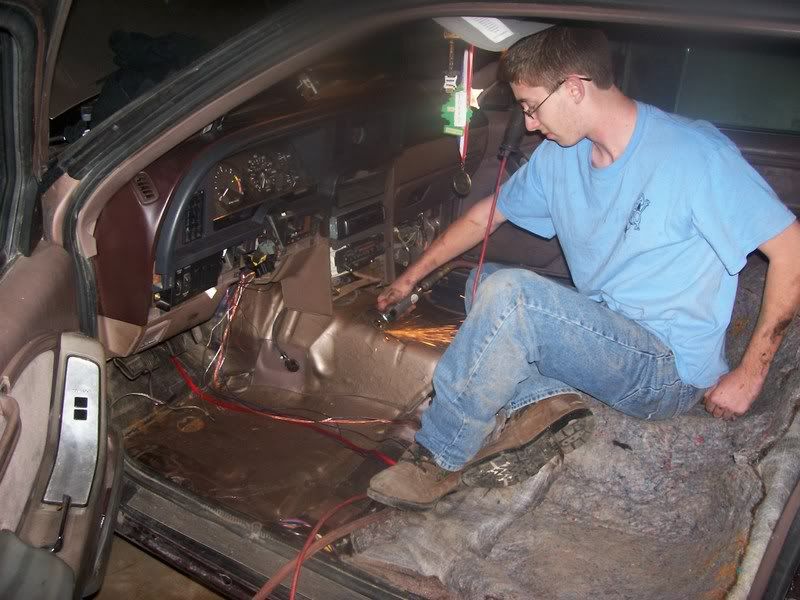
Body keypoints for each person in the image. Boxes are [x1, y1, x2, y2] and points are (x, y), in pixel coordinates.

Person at [367, 26, 800, 511]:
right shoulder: (561, 156)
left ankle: (439, 457)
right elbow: (483, 217)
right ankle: (542, 402)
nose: (529, 124)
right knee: (482, 284)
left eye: (532, 106)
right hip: (609, 330)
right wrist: (410, 277)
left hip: (667, 369)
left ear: (574, 87)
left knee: (513, 298)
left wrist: (750, 375)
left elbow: (792, 249)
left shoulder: (695, 156)